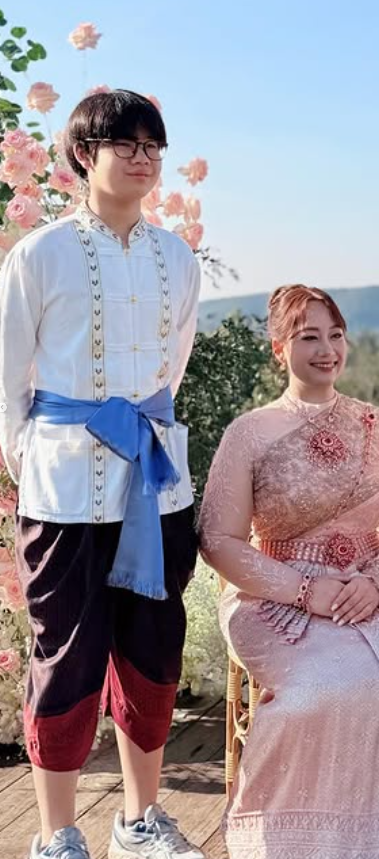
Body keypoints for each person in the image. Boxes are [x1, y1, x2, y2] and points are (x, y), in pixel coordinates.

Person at [0, 90, 203, 859]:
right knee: (67, 653)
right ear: (85, 155)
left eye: (153, 145)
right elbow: (7, 379)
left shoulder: (176, 257)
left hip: (156, 478)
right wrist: (34, 460)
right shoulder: (39, 254)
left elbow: (171, 368)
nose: (143, 158)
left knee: (152, 652)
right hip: (63, 488)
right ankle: (57, 833)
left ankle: (139, 821)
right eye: (126, 144)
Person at [199, 285, 379, 859]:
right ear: (279, 349)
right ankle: (301, 841)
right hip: (273, 596)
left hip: (367, 590)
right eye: (308, 337)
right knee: (328, 683)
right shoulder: (249, 433)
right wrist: (306, 590)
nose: (327, 350)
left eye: (335, 335)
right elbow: (218, 540)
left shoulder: (378, 427)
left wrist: (377, 581)